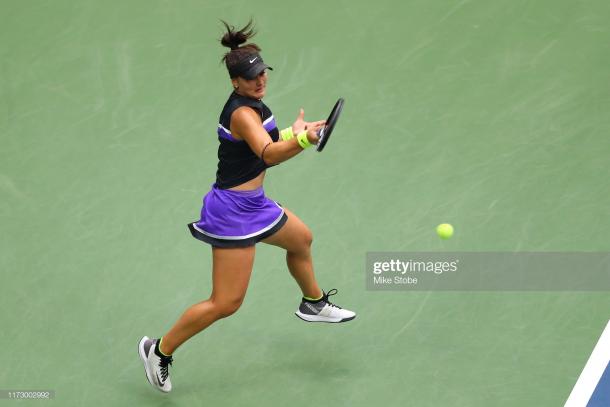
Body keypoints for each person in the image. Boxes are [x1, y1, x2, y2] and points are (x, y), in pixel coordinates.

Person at [138, 20, 356, 393]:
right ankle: (159, 350)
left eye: (262, 73)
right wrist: (304, 141)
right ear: (235, 82)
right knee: (226, 303)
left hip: (253, 204)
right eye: (251, 77)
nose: (259, 81)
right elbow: (268, 154)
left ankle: (313, 303)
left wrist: (295, 132)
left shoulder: (254, 105)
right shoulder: (241, 112)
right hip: (232, 212)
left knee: (301, 239)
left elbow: (266, 144)